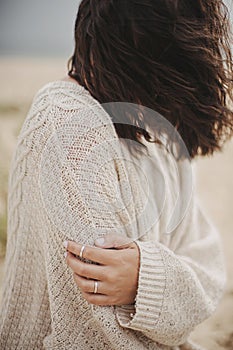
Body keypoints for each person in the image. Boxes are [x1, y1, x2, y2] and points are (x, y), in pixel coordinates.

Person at [0, 1, 232, 349]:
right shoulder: (69, 127)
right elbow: (96, 335)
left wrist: (145, 280)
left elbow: (209, 268)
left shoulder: (158, 123)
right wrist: (162, 290)